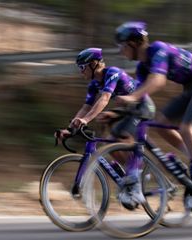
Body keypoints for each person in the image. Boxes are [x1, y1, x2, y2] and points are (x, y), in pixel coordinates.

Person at [114, 21, 192, 210]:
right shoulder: (142, 67)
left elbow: (158, 80)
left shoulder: (158, 49)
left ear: (133, 43)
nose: (121, 51)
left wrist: (131, 97)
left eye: (122, 46)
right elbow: (141, 97)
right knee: (160, 123)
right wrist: (116, 113)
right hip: (190, 90)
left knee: (186, 129)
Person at [57, 47, 156, 209]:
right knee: (110, 143)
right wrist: (70, 129)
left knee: (121, 135)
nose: (81, 72)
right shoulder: (94, 84)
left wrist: (86, 120)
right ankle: (131, 174)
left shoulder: (113, 73)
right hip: (127, 110)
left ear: (94, 64)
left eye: (82, 67)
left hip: (143, 107)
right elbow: (85, 107)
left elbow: (104, 99)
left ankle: (136, 176)